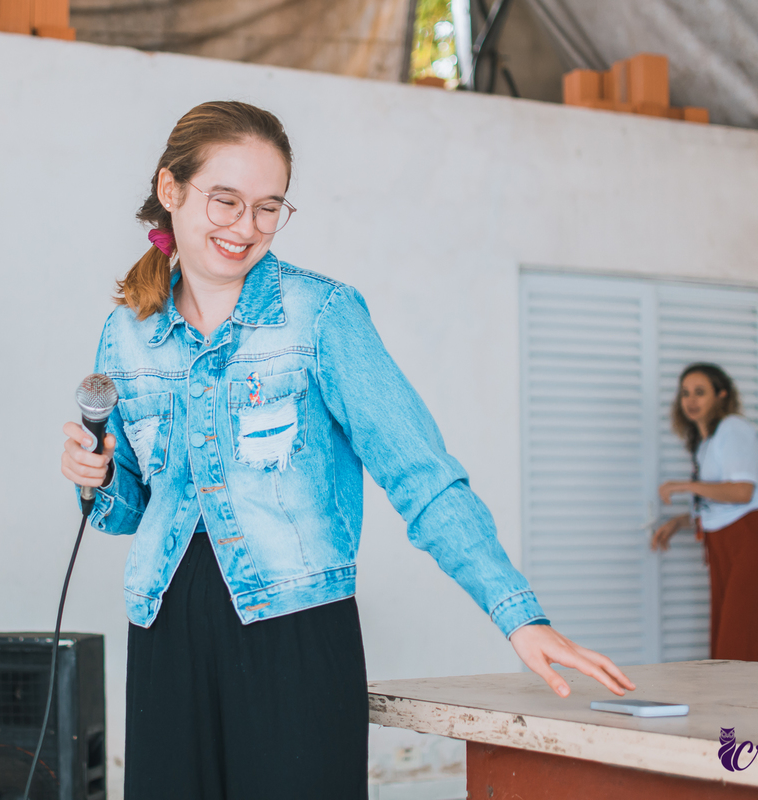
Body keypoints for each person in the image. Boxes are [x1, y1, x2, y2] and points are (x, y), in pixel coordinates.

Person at [60, 100, 634, 800]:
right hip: (163, 633)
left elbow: (420, 474)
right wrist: (93, 476)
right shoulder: (126, 333)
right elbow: (125, 510)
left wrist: (519, 616)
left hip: (294, 635)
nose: (246, 227)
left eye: (268, 207)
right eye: (226, 201)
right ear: (170, 189)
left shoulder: (321, 315)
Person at [652, 362, 758, 662]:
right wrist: (680, 522)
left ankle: (746, 696)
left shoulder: (733, 428)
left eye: (700, 392)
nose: (690, 400)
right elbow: (719, 502)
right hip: (723, 542)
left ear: (721, 395)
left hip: (750, 538)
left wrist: (686, 485)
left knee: (738, 646)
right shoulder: (706, 442)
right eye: (685, 393)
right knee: (725, 647)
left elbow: (742, 492)